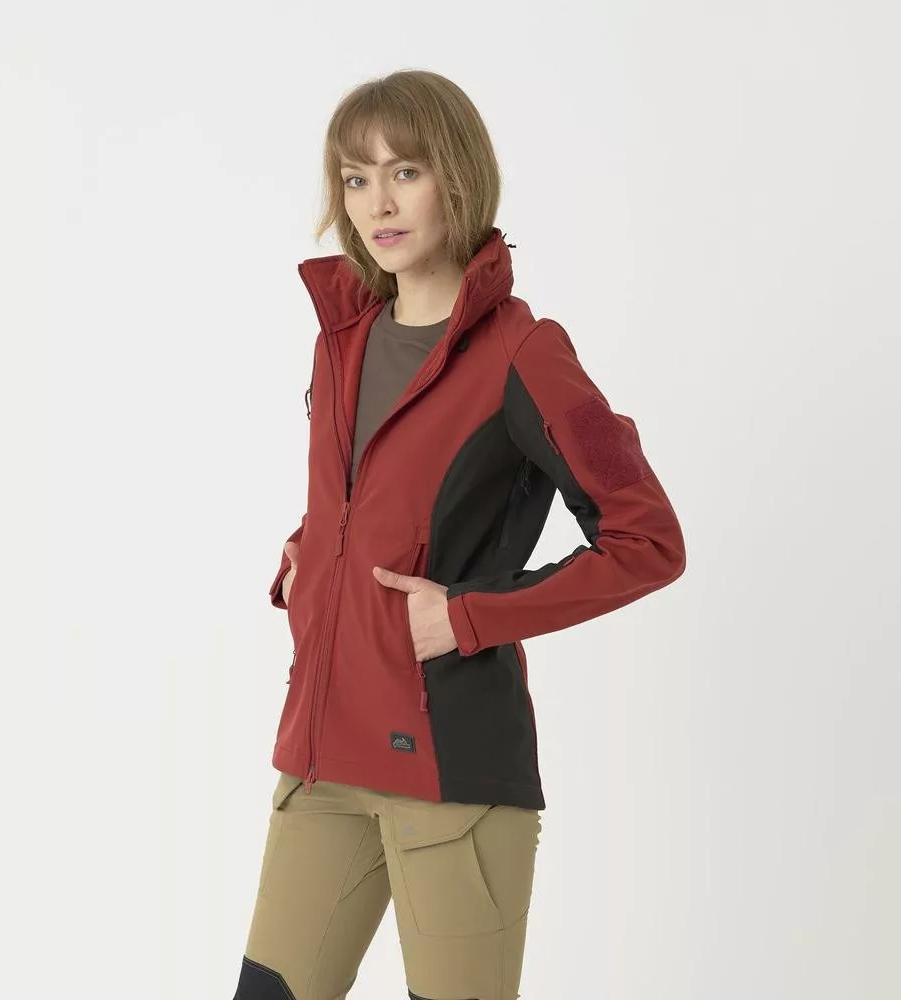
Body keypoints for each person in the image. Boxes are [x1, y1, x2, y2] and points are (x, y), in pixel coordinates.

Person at [231, 69, 686, 1000]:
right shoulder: (342, 340)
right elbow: (371, 494)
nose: (378, 204)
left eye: (405, 171)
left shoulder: (527, 352)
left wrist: (470, 616)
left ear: (459, 177)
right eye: (356, 178)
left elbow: (648, 540)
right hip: (321, 762)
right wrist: (311, 551)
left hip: (453, 777)